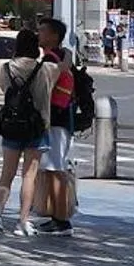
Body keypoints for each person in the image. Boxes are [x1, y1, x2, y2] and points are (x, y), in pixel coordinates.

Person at [0, 28, 47, 233]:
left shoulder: (6, 68)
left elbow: (4, 88)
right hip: (34, 126)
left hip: (11, 124)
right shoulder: (41, 69)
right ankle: (22, 220)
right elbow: (44, 97)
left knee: (7, 174)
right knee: (29, 175)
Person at [28, 16, 79, 233]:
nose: (38, 34)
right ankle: (57, 216)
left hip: (55, 121)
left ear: (54, 36)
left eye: (42, 31)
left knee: (56, 169)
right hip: (61, 120)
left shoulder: (51, 60)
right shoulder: (60, 56)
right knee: (53, 169)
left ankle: (61, 219)